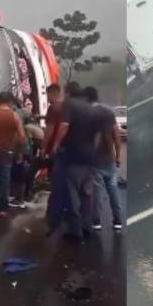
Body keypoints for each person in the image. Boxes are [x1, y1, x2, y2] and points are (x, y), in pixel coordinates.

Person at [58, 92, 99, 243]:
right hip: (90, 159)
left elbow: (64, 126)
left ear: (70, 93)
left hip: (74, 157)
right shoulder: (90, 109)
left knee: (73, 195)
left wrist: (56, 144)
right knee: (87, 195)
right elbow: (97, 135)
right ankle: (87, 227)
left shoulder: (69, 104)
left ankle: (76, 232)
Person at [82, 86, 123, 231]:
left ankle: (96, 221)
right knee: (113, 190)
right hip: (110, 158)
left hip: (96, 160)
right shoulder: (109, 112)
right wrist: (118, 156)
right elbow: (116, 135)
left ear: (86, 98)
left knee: (96, 192)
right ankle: (118, 220)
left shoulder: (88, 113)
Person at [41, 83, 68, 235]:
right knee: (65, 182)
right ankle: (66, 210)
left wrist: (44, 148)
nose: (48, 98)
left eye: (48, 95)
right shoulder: (67, 106)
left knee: (56, 183)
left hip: (55, 150)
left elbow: (49, 130)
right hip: (67, 150)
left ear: (53, 93)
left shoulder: (53, 108)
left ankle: (53, 216)